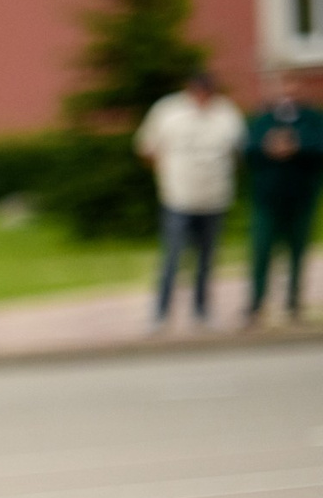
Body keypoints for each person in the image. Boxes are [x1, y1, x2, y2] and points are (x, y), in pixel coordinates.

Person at [136, 70, 244, 328]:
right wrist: (167, 176)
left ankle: (202, 311)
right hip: (178, 197)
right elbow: (147, 148)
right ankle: (160, 314)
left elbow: (237, 152)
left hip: (214, 197)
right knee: (172, 257)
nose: (202, 97)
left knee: (207, 259)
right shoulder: (168, 111)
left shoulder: (226, 113)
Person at [242, 79, 320, 324]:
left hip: (300, 198)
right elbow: (249, 151)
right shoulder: (263, 120)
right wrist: (269, 147)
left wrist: (296, 145)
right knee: (262, 249)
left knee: (297, 251)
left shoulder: (312, 119)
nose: (288, 93)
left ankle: (293, 303)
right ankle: (256, 303)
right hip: (268, 198)